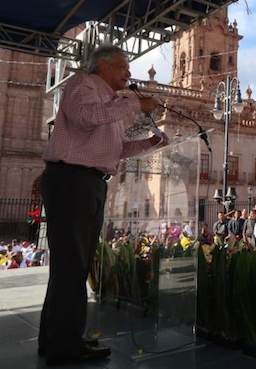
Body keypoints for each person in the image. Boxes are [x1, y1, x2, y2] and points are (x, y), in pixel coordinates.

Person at [39, 44, 166, 365]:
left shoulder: (109, 101)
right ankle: (63, 346)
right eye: (123, 66)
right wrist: (134, 102)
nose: (128, 72)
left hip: (87, 183)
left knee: (73, 267)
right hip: (73, 182)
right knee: (71, 266)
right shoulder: (83, 84)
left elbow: (116, 149)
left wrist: (150, 142)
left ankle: (58, 339)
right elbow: (85, 119)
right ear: (103, 67)